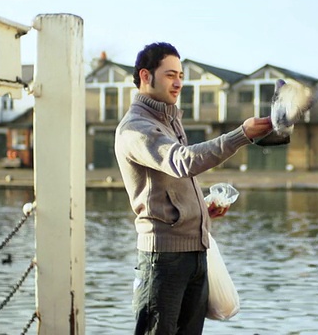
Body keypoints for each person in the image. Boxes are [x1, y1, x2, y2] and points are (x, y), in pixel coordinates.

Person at [114, 42, 273, 335]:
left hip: (195, 253)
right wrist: (241, 135)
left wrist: (200, 210)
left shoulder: (170, 120)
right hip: (163, 260)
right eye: (170, 75)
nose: (178, 83)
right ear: (146, 76)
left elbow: (172, 183)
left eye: (181, 76)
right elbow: (182, 162)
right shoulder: (136, 129)